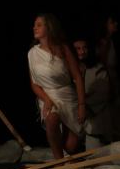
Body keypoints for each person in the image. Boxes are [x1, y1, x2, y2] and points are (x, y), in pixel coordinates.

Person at [27, 13, 86, 159]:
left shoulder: (62, 49)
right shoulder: (32, 53)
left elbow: (77, 77)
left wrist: (81, 105)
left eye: (39, 25)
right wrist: (46, 99)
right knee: (51, 119)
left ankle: (68, 154)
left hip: (66, 95)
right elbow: (34, 84)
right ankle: (58, 162)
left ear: (49, 27)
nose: (34, 28)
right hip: (47, 96)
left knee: (71, 146)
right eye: (34, 25)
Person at [73, 37, 113, 148]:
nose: (82, 51)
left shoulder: (97, 69)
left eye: (84, 48)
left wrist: (84, 107)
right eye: (78, 49)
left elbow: (103, 94)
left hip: (95, 125)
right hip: (75, 126)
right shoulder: (68, 71)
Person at [96, 13, 120, 140]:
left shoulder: (110, 41)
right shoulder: (104, 43)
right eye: (112, 22)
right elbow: (103, 66)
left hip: (113, 81)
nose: (115, 24)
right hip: (108, 82)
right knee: (116, 115)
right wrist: (111, 87)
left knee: (119, 114)